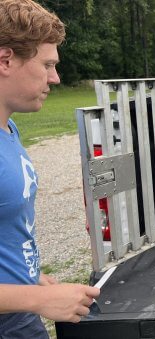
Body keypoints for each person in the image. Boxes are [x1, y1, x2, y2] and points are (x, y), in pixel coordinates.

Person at [0, 0, 100, 337]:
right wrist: (37, 299)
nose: (55, 78)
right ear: (5, 60)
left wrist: (27, 278)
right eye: (47, 65)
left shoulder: (9, 130)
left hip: (17, 314)